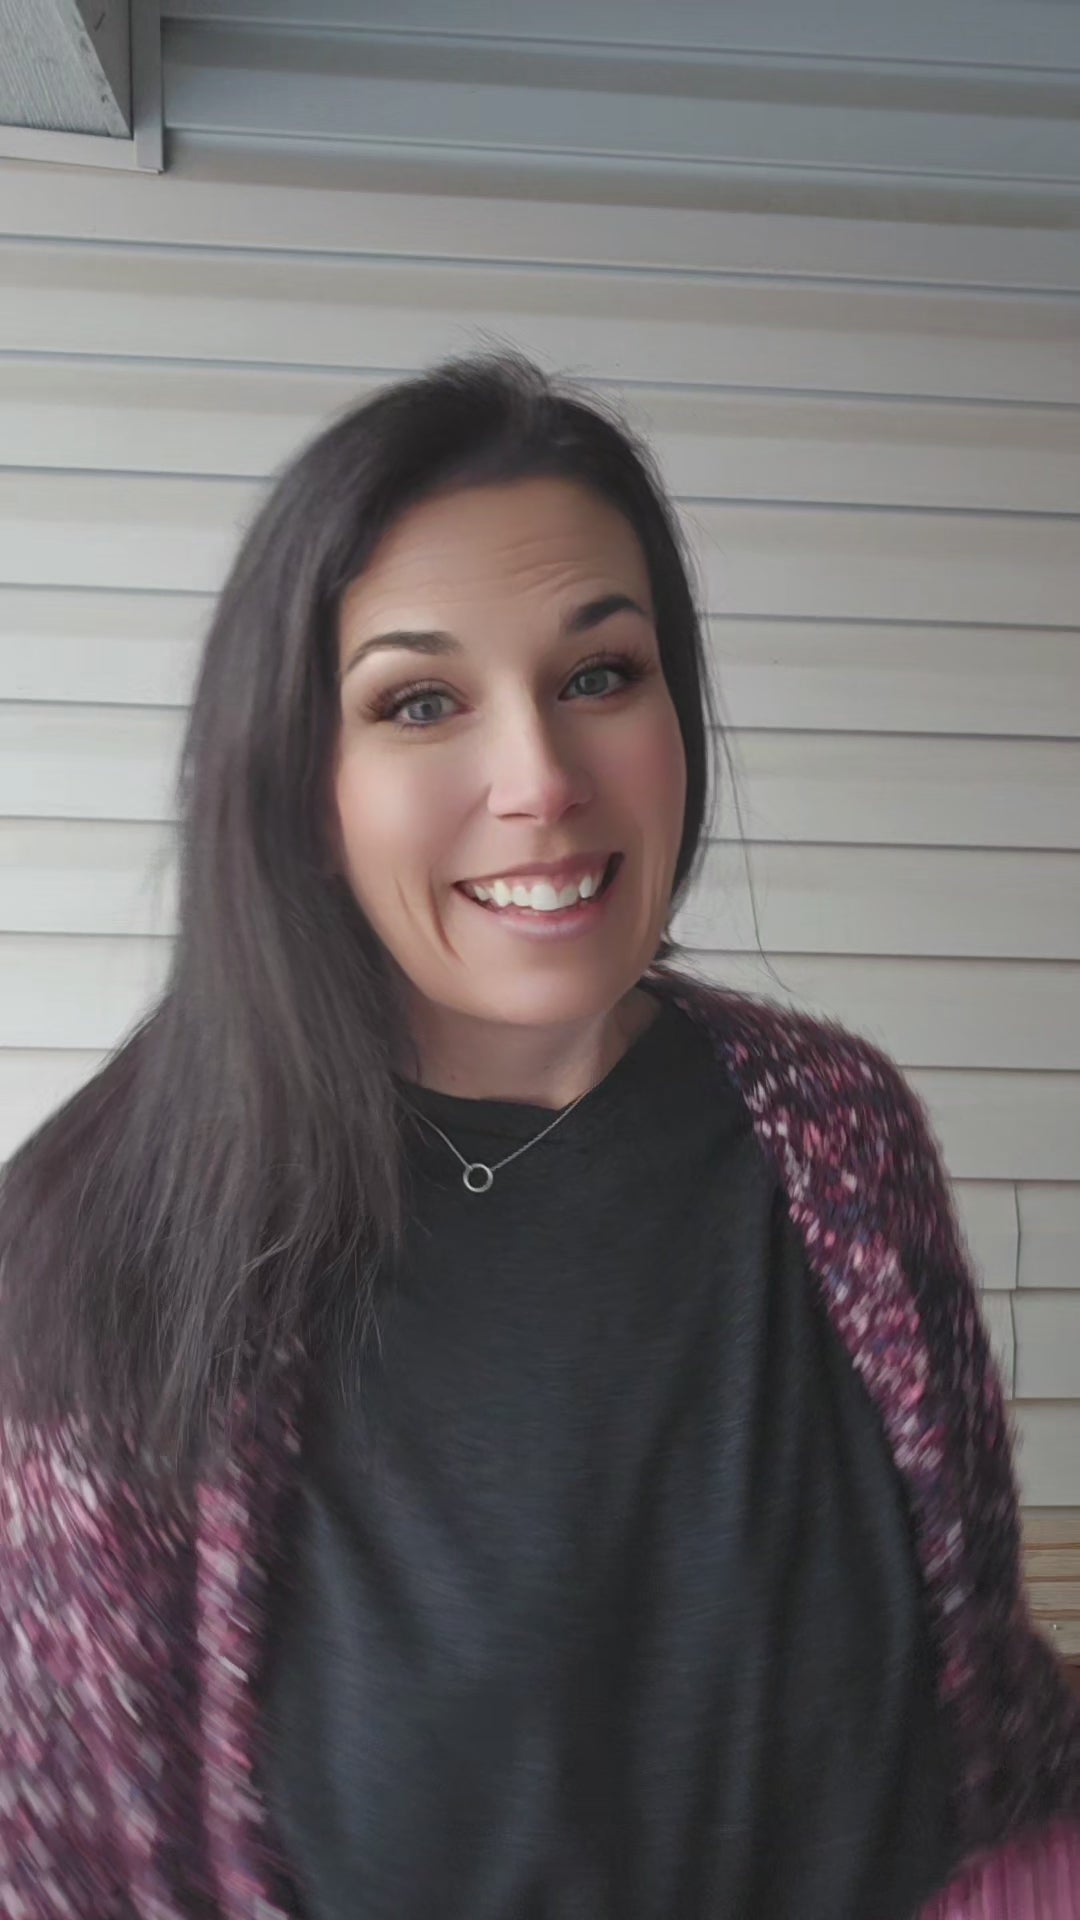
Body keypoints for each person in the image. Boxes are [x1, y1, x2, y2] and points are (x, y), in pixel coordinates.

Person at [0, 352, 1076, 1920]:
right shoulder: (96, 1253)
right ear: (300, 782)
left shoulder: (842, 1142)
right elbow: (67, 1864)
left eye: (599, 675)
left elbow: (990, 1748)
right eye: (421, 701)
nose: (544, 782)